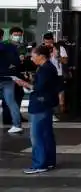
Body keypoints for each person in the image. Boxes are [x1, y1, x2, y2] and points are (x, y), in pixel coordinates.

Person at [14, 45, 60, 174]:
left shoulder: (45, 69)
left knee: (37, 135)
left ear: (41, 56)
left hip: (40, 104)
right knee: (46, 134)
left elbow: (38, 87)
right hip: (46, 103)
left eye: (34, 56)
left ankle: (39, 164)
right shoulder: (49, 68)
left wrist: (25, 84)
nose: (32, 58)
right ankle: (49, 161)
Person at [0, 29, 23, 134]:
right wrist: (9, 67)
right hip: (8, 77)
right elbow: (17, 62)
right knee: (12, 102)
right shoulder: (10, 47)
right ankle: (17, 125)